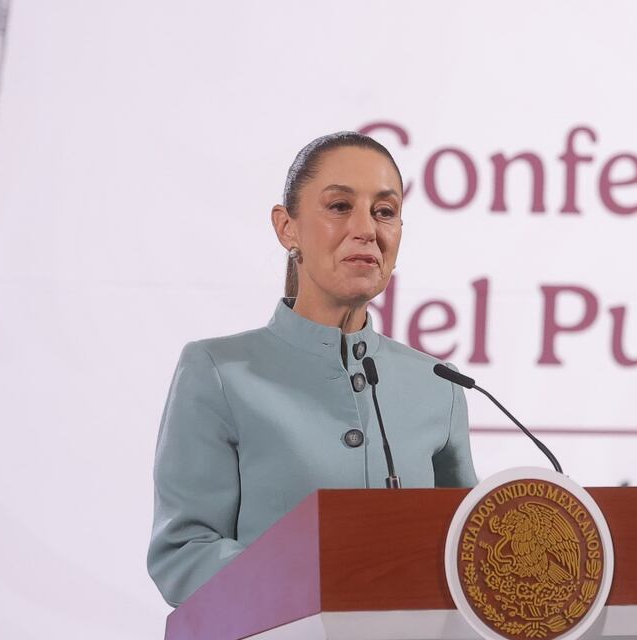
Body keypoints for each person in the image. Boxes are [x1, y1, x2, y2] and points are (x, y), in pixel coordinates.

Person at [147, 132, 478, 607]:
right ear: (287, 228)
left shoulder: (438, 386)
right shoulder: (218, 372)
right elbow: (183, 552)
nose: (366, 229)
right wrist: (315, 588)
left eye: (384, 212)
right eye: (340, 206)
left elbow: (467, 553)